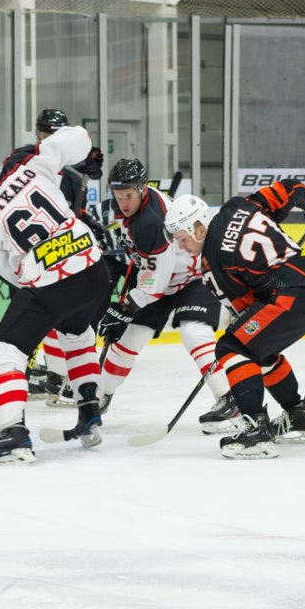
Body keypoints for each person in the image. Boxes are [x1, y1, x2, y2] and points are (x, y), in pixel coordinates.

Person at [0, 123, 111, 465]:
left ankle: (13, 433)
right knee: (77, 333)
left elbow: (12, 276)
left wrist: (43, 292)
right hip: (95, 268)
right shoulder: (27, 164)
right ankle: (89, 412)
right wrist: (83, 155)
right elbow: (80, 137)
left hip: (53, 279)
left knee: (5, 350)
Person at [164, 180, 305, 459]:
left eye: (182, 238)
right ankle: (298, 416)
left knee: (232, 347)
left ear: (199, 228)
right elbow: (287, 189)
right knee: (259, 350)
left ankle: (256, 431)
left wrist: (241, 382)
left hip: (295, 294)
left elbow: (245, 309)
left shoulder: (213, 264)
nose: (182, 246)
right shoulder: (238, 207)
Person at [95, 158, 238, 429]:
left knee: (194, 331)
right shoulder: (131, 205)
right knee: (129, 337)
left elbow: (155, 284)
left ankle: (228, 398)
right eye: (118, 195)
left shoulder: (151, 221)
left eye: (128, 195)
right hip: (160, 276)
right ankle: (100, 396)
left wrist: (125, 308)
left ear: (142, 189)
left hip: (192, 277)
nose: (123, 202)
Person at [24, 108, 105, 407]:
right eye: (45, 133)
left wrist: (88, 221)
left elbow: (74, 211)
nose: (49, 139)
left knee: (66, 318)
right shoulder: (32, 167)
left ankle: (61, 376)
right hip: (40, 254)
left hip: (67, 254)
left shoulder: (72, 173)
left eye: (54, 134)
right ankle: (56, 376)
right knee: (48, 316)